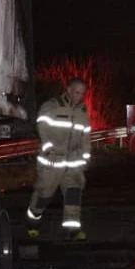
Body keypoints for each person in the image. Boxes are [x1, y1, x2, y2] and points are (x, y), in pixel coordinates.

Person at [27, 77, 91, 241]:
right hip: (52, 161)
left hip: (74, 163)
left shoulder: (83, 111)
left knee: (73, 195)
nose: (79, 96)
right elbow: (42, 127)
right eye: (76, 92)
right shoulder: (52, 106)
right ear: (68, 90)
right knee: (44, 194)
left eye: (82, 93)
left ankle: (72, 230)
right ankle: (33, 222)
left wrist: (85, 157)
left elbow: (85, 136)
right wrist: (49, 148)